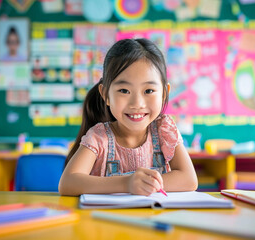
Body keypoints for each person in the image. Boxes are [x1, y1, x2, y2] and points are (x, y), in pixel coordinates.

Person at [59, 38, 198, 196]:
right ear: (106, 94)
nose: (137, 103)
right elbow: (68, 183)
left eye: (149, 91)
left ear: (164, 93)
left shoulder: (163, 129)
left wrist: (144, 184)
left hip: (153, 218)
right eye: (124, 91)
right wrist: (128, 183)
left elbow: (189, 180)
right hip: (105, 220)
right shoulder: (99, 137)